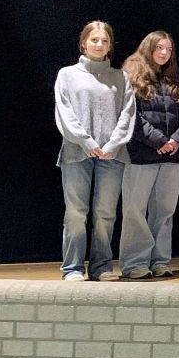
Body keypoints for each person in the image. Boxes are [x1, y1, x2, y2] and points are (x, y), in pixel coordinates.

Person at [55, 20, 136, 282]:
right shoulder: (67, 75)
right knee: (76, 213)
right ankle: (73, 268)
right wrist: (87, 142)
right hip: (76, 153)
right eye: (94, 40)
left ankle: (101, 266)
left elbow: (127, 114)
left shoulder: (120, 77)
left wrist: (113, 144)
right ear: (84, 43)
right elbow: (64, 112)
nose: (99, 44)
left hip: (112, 155)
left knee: (105, 214)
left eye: (104, 41)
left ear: (110, 45)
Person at [119, 30, 179, 280]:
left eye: (168, 49)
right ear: (148, 48)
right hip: (141, 155)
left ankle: (160, 261)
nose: (164, 53)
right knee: (135, 211)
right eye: (159, 48)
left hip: (172, 157)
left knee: (165, 211)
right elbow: (132, 117)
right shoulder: (131, 76)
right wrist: (159, 141)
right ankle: (135, 264)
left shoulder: (178, 80)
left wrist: (176, 140)